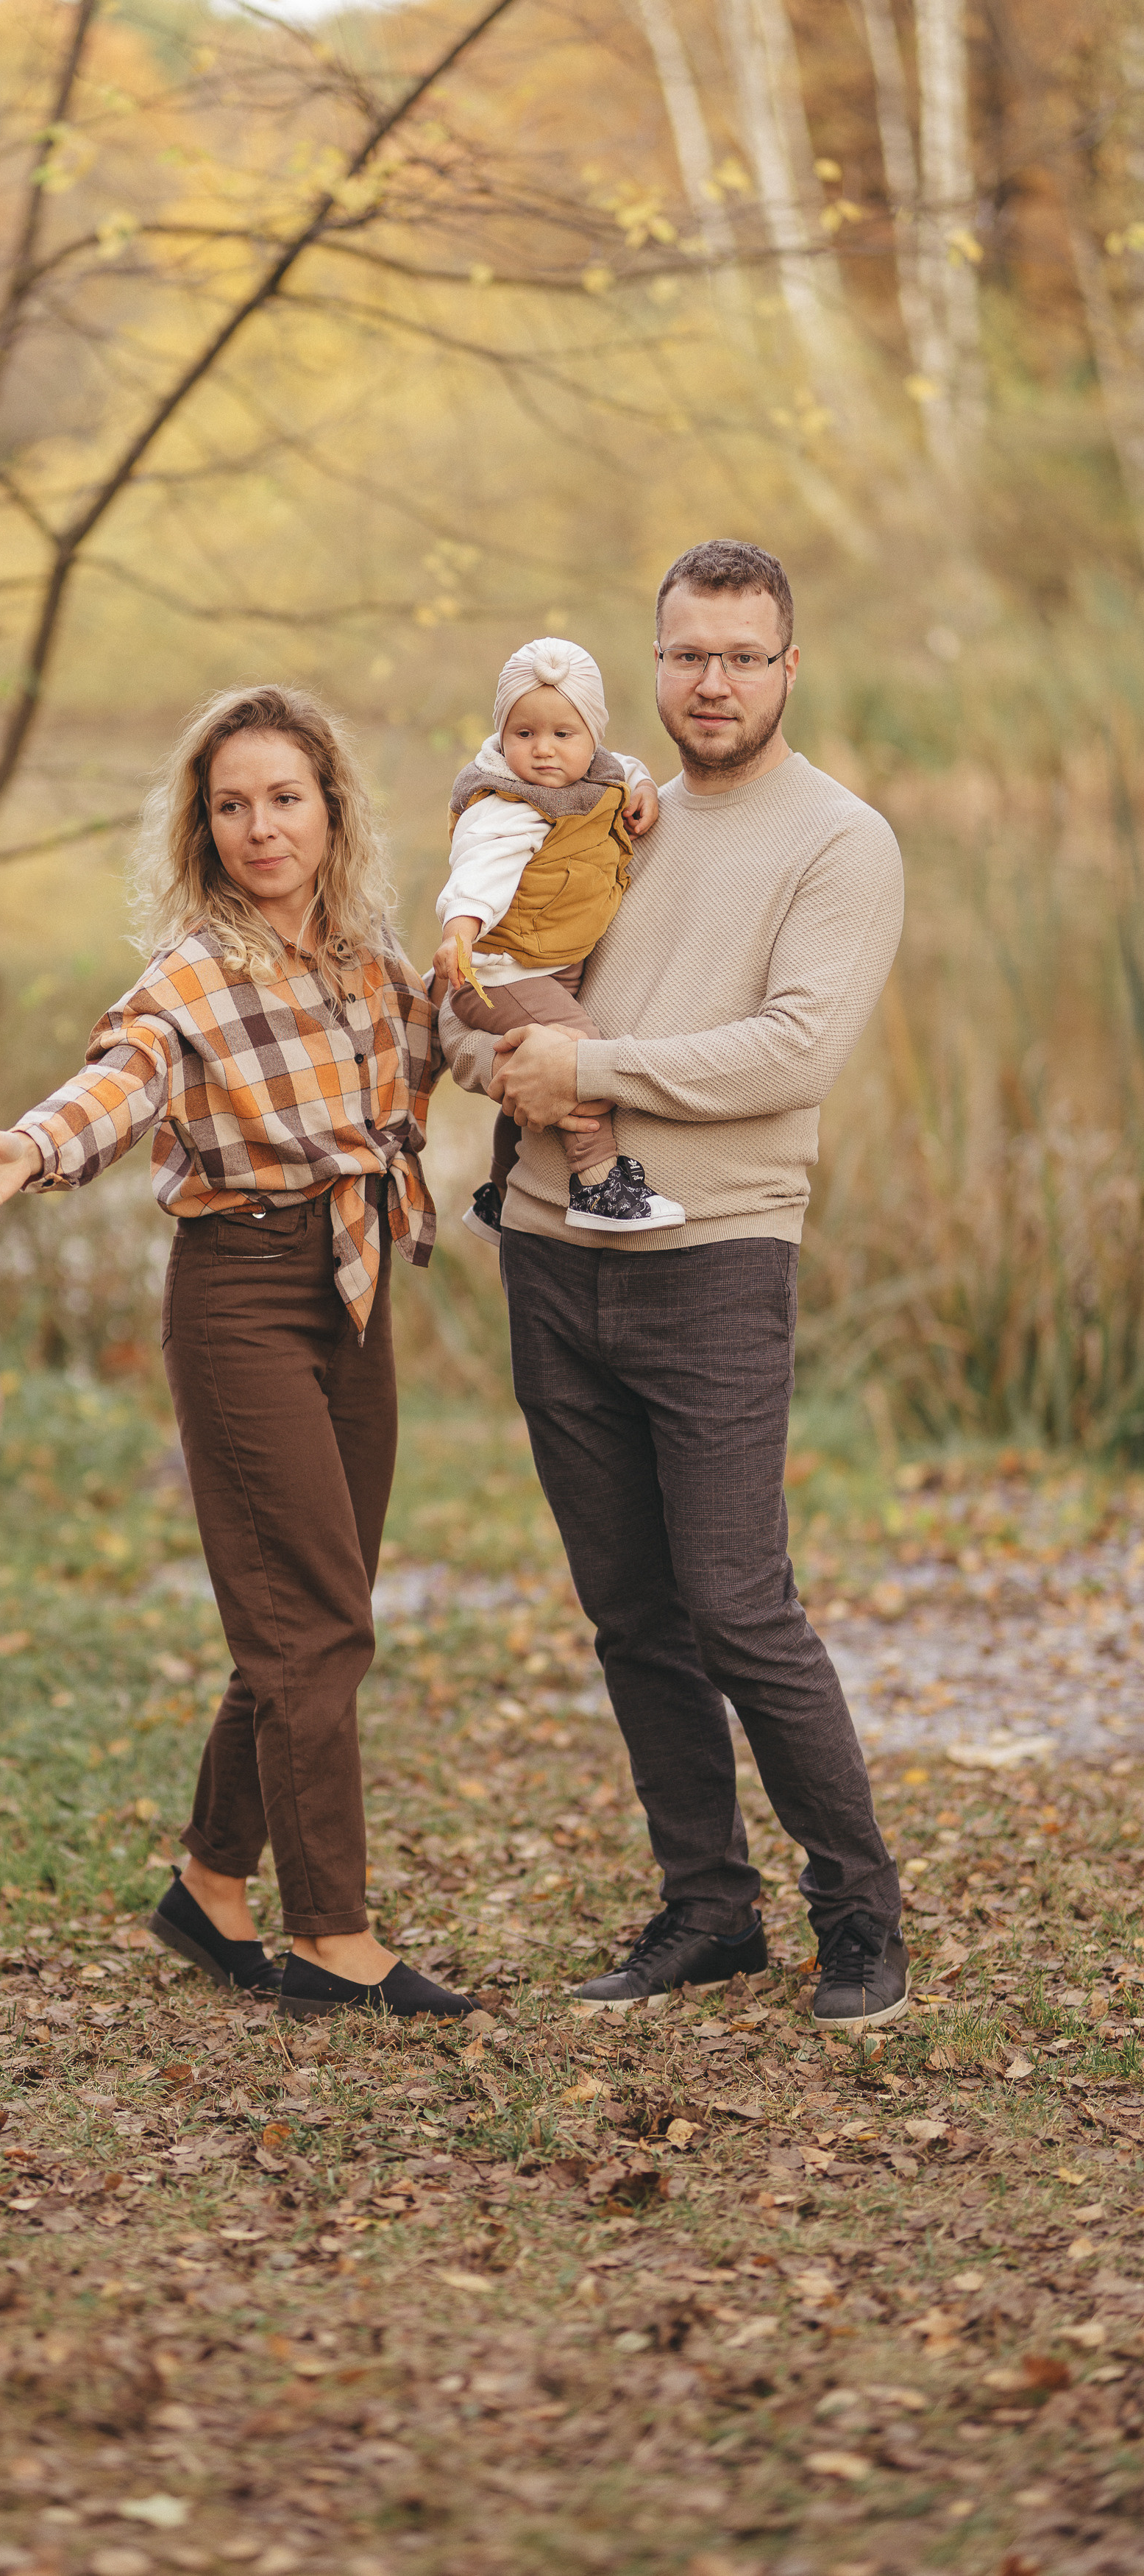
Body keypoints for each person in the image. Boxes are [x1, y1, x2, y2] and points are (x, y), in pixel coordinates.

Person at [439, 539, 910, 2031]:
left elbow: (795, 1051)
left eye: (742, 655)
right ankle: (707, 1910)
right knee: (631, 1610)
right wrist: (502, 1071)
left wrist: (595, 1069)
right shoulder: (584, 812)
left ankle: (861, 1917)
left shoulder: (839, 840)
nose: (712, 681)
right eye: (687, 653)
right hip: (547, 1251)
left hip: (713, 1256)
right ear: (652, 663)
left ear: (787, 667)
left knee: (734, 1598)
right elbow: (488, 1007)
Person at [0, 684, 478, 2023]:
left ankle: (208, 1886)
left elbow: (456, 1044)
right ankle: (335, 1940)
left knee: (309, 1609)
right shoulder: (189, 974)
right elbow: (120, 1079)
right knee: (315, 1622)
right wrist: (29, 1146)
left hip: (349, 1288)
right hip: (240, 1294)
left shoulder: (367, 961)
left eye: (284, 799)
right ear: (204, 826)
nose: (261, 828)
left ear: (331, 810)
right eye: (232, 805)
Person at [430, 634, 683, 1242]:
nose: (542, 750)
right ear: (502, 734)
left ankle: (500, 1192)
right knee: (576, 1057)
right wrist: (458, 931)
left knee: (532, 1075)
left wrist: (644, 791)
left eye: (561, 735)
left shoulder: (601, 771)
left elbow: (628, 768)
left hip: (548, 961)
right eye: (524, 734)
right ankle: (597, 1181)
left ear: (590, 734)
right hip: (497, 969)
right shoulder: (506, 805)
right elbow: (477, 876)